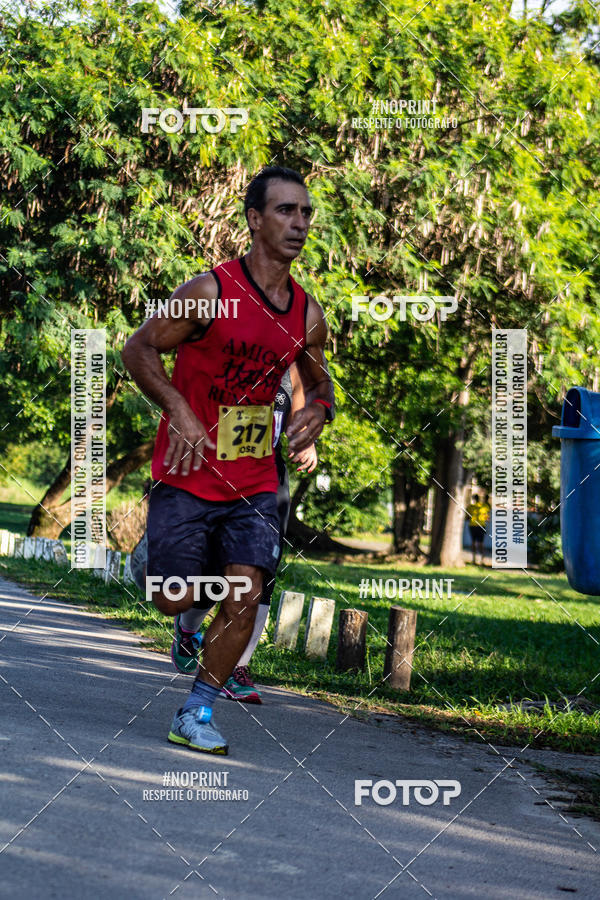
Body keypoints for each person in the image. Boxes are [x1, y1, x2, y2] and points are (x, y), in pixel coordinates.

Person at [121, 166, 334, 755]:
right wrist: (179, 409)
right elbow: (138, 348)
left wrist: (319, 411)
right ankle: (176, 602)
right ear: (255, 219)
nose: (299, 222)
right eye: (286, 210)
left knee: (246, 591)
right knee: (174, 593)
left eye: (306, 212)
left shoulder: (307, 313)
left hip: (254, 475)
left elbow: (319, 381)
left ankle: (197, 710)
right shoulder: (208, 292)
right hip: (187, 470)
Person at [129, 364, 318, 704]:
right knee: (212, 569)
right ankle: (188, 630)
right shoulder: (229, 349)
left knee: (261, 573)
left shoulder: (294, 361)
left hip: (266, 476)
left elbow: (300, 408)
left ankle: (237, 667)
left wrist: (305, 440)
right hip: (213, 467)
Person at [466, 492, 489, 565]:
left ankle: (474, 559)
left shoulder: (470, 507)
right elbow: (487, 518)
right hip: (481, 526)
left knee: (473, 543)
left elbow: (467, 518)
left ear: (473, 499)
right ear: (479, 499)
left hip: (472, 526)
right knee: (481, 543)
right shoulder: (485, 506)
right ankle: (482, 560)